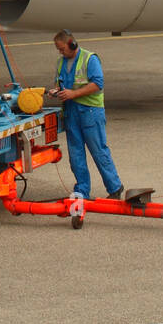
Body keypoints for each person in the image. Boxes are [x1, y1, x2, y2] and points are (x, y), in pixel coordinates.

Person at [48, 29, 123, 201]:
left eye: (62, 48)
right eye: (58, 49)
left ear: (72, 44)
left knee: (98, 151)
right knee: (76, 155)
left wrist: (73, 94)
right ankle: (82, 191)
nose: (60, 52)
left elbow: (98, 83)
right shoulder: (61, 63)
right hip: (71, 113)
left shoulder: (90, 59)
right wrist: (57, 91)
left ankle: (115, 187)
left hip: (90, 112)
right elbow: (61, 83)